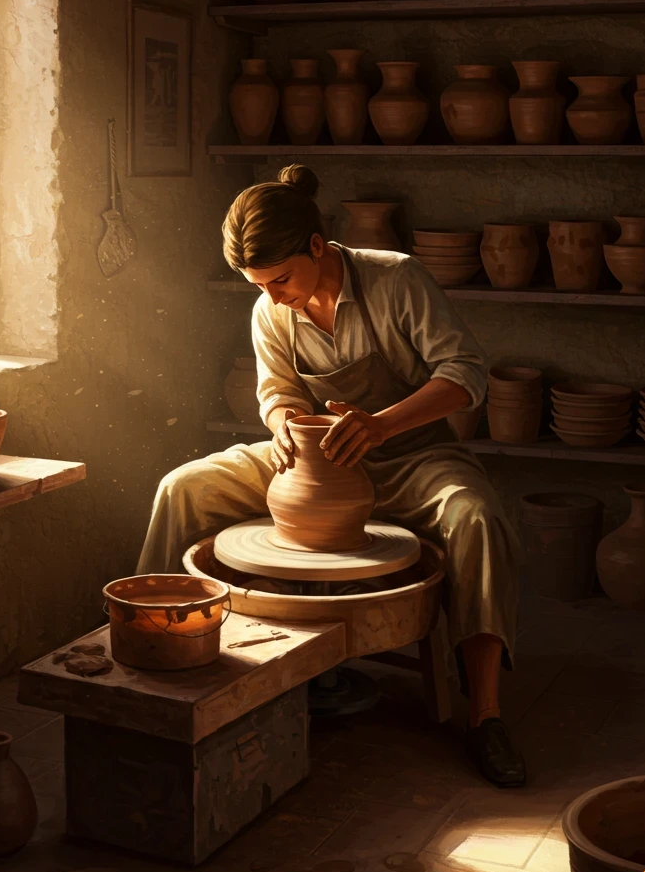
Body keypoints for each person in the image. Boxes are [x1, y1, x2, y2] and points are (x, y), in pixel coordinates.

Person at [137, 165, 525, 786]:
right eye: (257, 285)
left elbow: (465, 376)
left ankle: (485, 714)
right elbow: (276, 395)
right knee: (183, 487)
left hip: (412, 457)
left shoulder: (397, 278)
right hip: (315, 461)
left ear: (318, 246)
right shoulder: (273, 309)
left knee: (475, 517)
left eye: (281, 279)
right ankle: (153, 658)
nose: (272, 296)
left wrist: (381, 425)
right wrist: (286, 424)